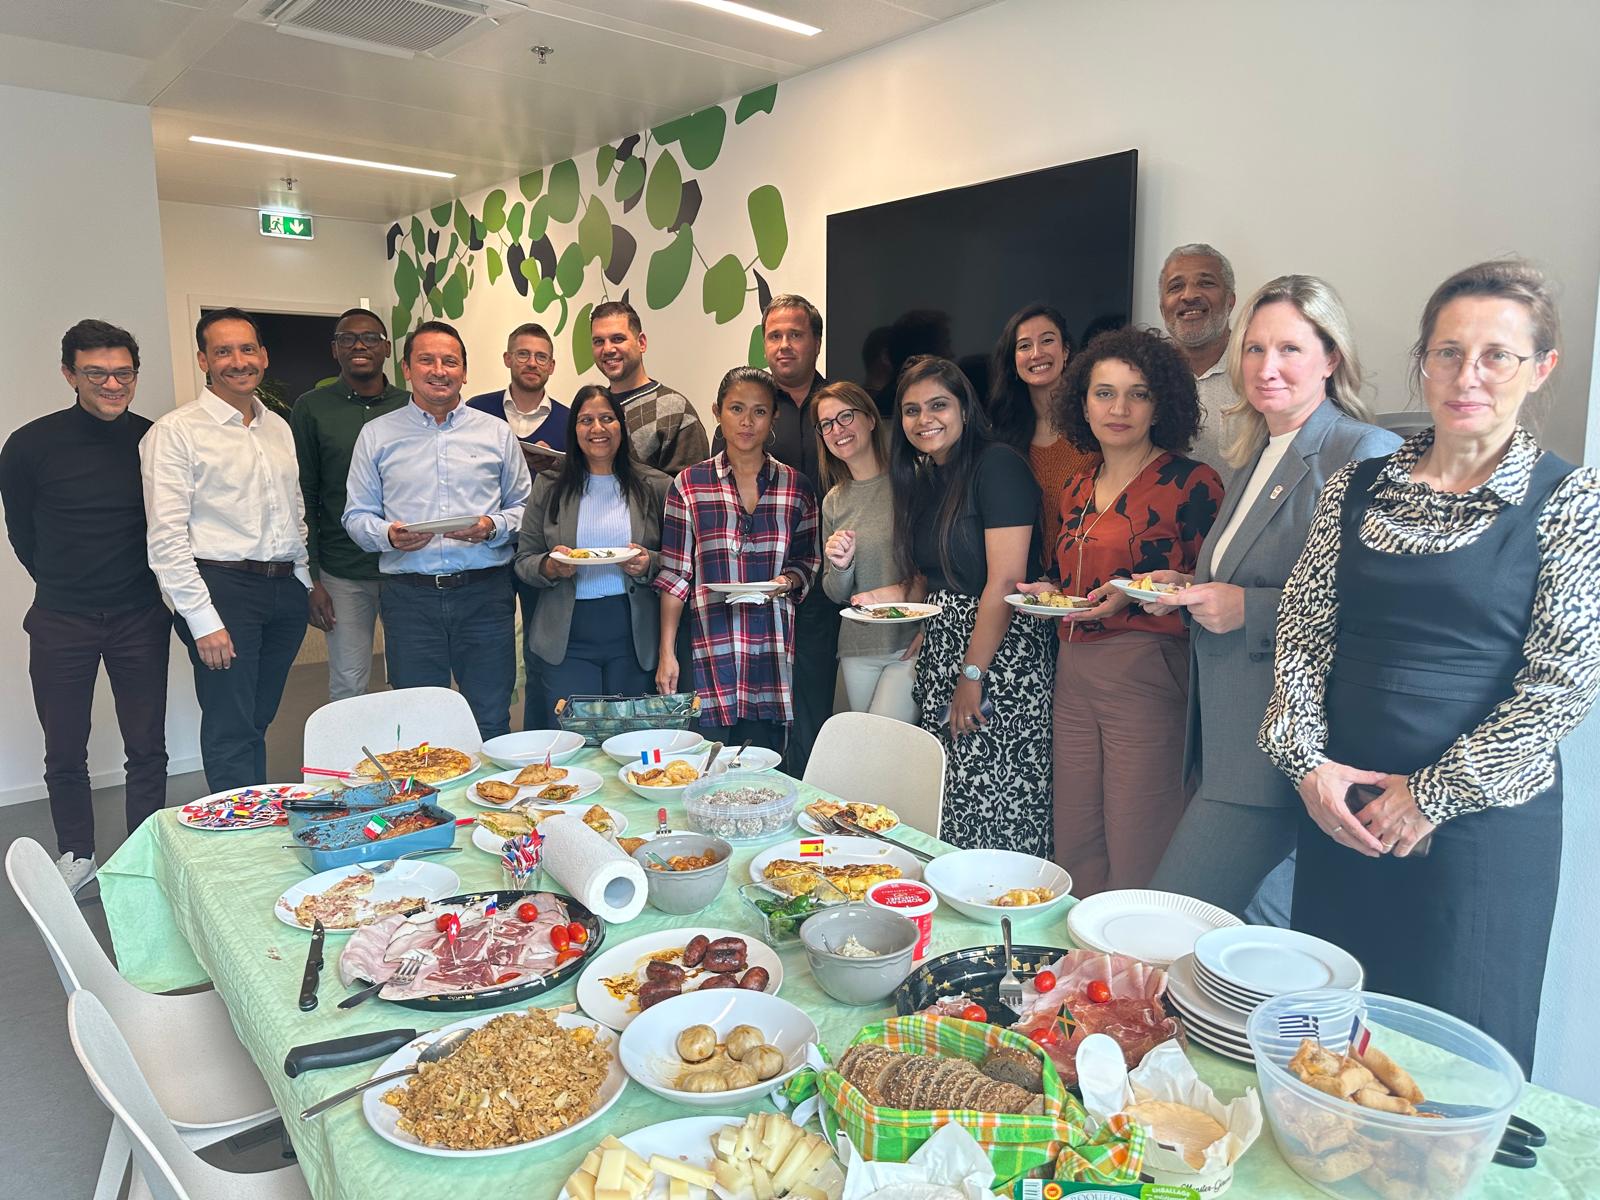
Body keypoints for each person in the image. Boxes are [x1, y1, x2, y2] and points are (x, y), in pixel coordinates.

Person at [1260, 260, 1600, 1075]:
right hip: (1347, 810)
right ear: (1423, 362)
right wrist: (1309, 769)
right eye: (1447, 353)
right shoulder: (1355, 488)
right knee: (1333, 1058)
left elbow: (1563, 684)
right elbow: (1302, 642)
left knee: (1452, 1072)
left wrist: (1428, 799)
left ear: (1541, 368)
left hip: (1478, 835)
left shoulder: (1571, 499)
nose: (1467, 376)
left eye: (1496, 356)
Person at [1130, 277, 1399, 920]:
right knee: (1254, 941)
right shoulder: (1260, 452)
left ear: (1331, 358)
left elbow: (1374, 610)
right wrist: (1192, 588)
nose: (1266, 368)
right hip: (1230, 738)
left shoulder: (1363, 450)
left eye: (1289, 349)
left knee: (1169, 921)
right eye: (1254, 350)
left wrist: (1245, 610)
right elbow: (1250, 572)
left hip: (1280, 745)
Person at [1022, 328, 1221, 895]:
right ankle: (1086, 976)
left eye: (1137, 393)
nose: (1119, 408)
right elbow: (1071, 580)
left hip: (1148, 670)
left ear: (1161, 404)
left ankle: (1142, 976)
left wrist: (1150, 591)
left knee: (1141, 839)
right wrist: (1047, 590)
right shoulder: (1077, 485)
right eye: (1104, 393)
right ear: (1082, 402)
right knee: (1077, 837)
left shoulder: (1192, 482)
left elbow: (1211, 588)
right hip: (1074, 668)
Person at [857, 355, 1055, 857]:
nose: (925, 419)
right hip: (947, 648)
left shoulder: (999, 465)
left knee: (997, 798)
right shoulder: (928, 477)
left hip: (1001, 657)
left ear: (966, 408)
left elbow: (1003, 582)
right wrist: (923, 625)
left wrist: (972, 674)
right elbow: (938, 576)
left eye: (938, 405)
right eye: (911, 410)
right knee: (948, 798)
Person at [0, 320, 171, 893]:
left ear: (135, 375)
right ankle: (77, 854)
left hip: (140, 616)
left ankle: (143, 854)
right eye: (96, 373)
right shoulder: (28, 445)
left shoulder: (156, 441)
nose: (112, 383)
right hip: (61, 619)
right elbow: (21, 531)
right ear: (70, 374)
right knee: (64, 748)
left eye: (123, 372)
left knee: (147, 745)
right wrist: (63, 583)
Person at [141, 308, 309, 792]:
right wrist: (202, 619)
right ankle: (235, 846)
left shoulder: (277, 426)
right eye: (223, 351)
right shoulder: (176, 431)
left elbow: (292, 509)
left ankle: (248, 815)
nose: (238, 361)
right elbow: (166, 537)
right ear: (203, 360)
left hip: (283, 588)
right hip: (222, 589)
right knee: (231, 724)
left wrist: (303, 577)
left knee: (257, 717)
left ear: (263, 355)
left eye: (247, 348)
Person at [343, 321, 531, 740]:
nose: (439, 370)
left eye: (450, 361)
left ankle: (491, 805)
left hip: (485, 594)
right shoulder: (376, 436)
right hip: (410, 600)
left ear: (465, 371)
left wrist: (492, 526)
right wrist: (389, 536)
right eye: (426, 360)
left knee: (490, 717)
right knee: (417, 724)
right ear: (406, 369)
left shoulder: (496, 434)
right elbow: (356, 517)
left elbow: (525, 510)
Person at [655, 367, 819, 753]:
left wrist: (789, 580)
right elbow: (675, 576)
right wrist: (666, 653)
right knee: (704, 767)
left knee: (766, 771)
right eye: (736, 409)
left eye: (760, 412)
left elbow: (807, 561)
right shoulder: (689, 485)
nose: (747, 422)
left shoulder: (796, 486)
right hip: (710, 647)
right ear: (717, 412)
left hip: (773, 648)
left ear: (773, 417)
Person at [712, 295, 838, 774]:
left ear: (816, 341)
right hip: (754, 602)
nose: (784, 345)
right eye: (774, 335)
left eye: (796, 334)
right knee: (753, 718)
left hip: (823, 590)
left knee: (810, 712)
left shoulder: (840, 403)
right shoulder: (748, 407)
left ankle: (807, 814)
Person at [515, 385, 670, 718]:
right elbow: (523, 560)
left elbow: (678, 560)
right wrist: (549, 566)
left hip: (633, 636)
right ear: (574, 430)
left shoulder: (655, 485)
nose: (597, 429)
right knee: (575, 745)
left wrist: (648, 562)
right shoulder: (549, 484)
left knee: (629, 742)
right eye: (586, 420)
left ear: (621, 426)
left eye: (606, 418)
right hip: (567, 639)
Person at [291, 308, 409, 702]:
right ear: (334, 350)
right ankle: (350, 764)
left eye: (370, 337)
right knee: (349, 681)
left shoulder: (411, 406)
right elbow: (303, 495)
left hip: (407, 569)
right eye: (348, 338)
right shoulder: (311, 408)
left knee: (413, 679)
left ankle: (417, 763)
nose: (359, 345)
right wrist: (312, 578)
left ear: (386, 348)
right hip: (343, 570)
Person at [465, 322, 570, 728]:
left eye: (541, 356)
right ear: (508, 359)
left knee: (540, 647)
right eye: (523, 354)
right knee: (490, 652)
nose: (532, 362)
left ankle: (538, 732)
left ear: (552, 365)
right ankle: (491, 730)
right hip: (484, 548)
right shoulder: (476, 411)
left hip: (542, 549)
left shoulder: (566, 418)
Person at [815, 381, 917, 722]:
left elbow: (937, 566)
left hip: (908, 644)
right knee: (869, 753)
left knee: (882, 740)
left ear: (871, 419)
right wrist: (841, 567)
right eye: (827, 424)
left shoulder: (913, 481)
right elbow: (835, 593)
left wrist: (929, 631)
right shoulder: (833, 501)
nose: (837, 430)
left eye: (845, 417)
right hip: (858, 647)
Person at [986, 304, 1098, 556]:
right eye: (1024, 346)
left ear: (1066, 350)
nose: (1036, 353)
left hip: (1083, 576)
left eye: (1047, 340)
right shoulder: (1000, 436)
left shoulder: (1095, 424)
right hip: (1019, 583)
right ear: (1013, 361)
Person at [590, 301, 708, 474]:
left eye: (618, 339)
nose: (607, 349)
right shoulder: (591, 410)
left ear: (642, 343)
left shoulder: (674, 410)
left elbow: (690, 491)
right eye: (599, 341)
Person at [1159, 243, 1237, 473]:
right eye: (1176, 286)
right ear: (1163, 308)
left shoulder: (1261, 373)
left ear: (1230, 301)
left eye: (1206, 283)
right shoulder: (1144, 376)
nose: (1190, 295)